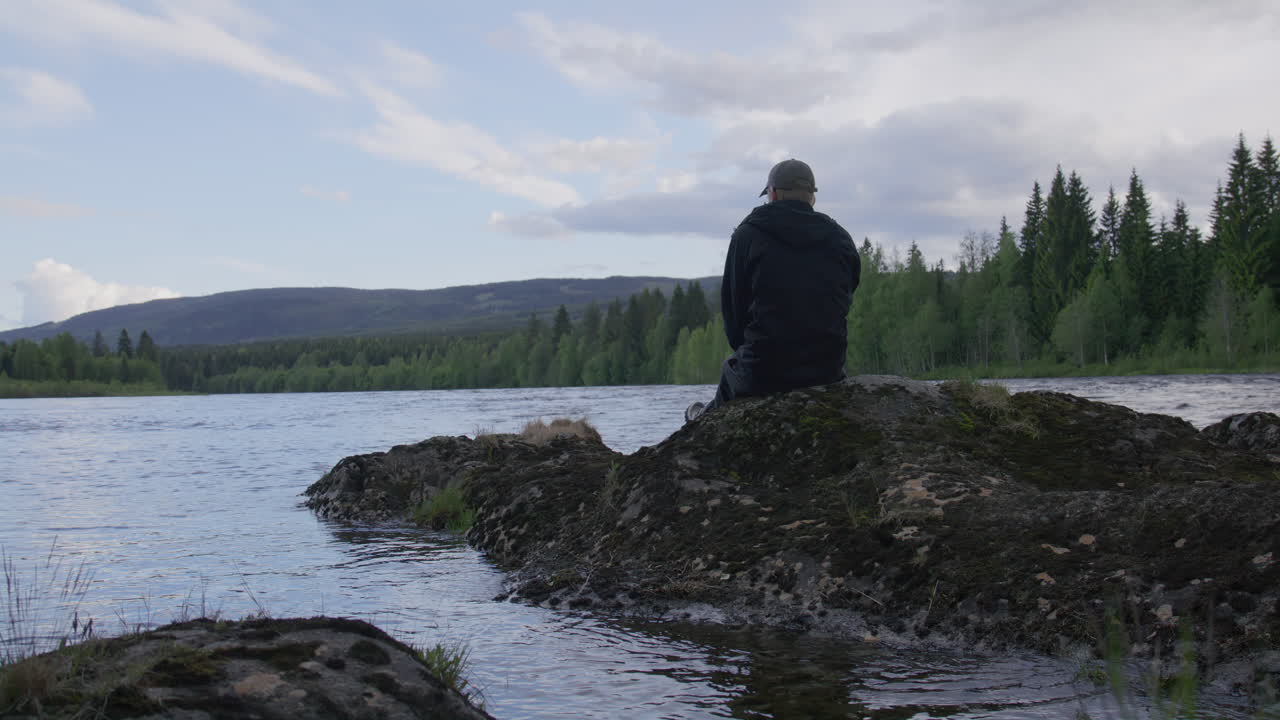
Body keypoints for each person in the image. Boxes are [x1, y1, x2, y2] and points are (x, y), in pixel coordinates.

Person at [686, 158, 860, 422]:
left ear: (773, 193)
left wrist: (746, 352)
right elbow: (846, 296)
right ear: (812, 198)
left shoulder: (748, 235)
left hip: (764, 368)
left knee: (730, 372)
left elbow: (734, 310)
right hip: (827, 368)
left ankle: (701, 421)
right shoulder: (840, 238)